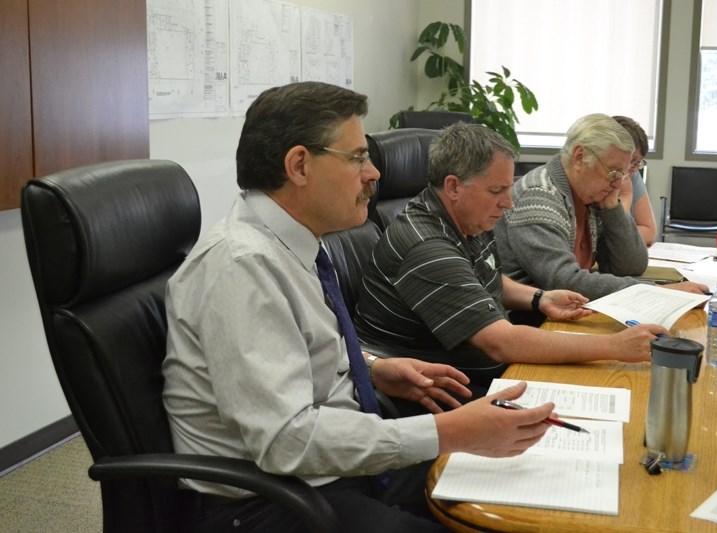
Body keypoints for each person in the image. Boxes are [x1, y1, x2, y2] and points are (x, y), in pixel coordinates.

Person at [161, 82, 558, 533]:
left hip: (335, 464)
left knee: (521, 493)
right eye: (357, 157)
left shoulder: (294, 243)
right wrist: (451, 432)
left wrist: (369, 368)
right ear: (299, 165)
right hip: (272, 500)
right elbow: (285, 442)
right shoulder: (242, 267)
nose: (374, 174)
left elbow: (294, 357)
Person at [354, 121, 668, 391]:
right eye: (496, 191)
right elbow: (499, 342)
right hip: (446, 385)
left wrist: (538, 298)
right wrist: (616, 346)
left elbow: (477, 279)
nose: (508, 202)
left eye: (508, 188)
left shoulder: (465, 218)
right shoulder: (426, 247)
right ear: (453, 186)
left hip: (488, 368)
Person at [493, 113, 707, 301]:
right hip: (528, 320)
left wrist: (612, 207)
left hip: (567, 310)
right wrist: (658, 293)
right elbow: (564, 280)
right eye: (614, 172)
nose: (618, 183)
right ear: (579, 157)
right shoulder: (539, 195)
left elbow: (631, 266)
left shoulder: (592, 196)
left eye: (623, 174)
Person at [613, 115, 657, 246]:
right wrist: (625, 197)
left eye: (637, 162)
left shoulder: (632, 175)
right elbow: (612, 238)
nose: (634, 169)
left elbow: (649, 232)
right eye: (632, 161)